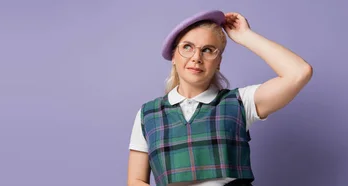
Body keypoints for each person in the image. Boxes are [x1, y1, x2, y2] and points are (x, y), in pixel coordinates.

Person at [126, 10, 313, 186]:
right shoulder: (148, 114)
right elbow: (135, 181)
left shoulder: (240, 102)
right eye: (187, 47)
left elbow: (299, 72)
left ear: (219, 62)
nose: (196, 57)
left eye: (208, 50)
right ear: (173, 56)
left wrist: (246, 36)